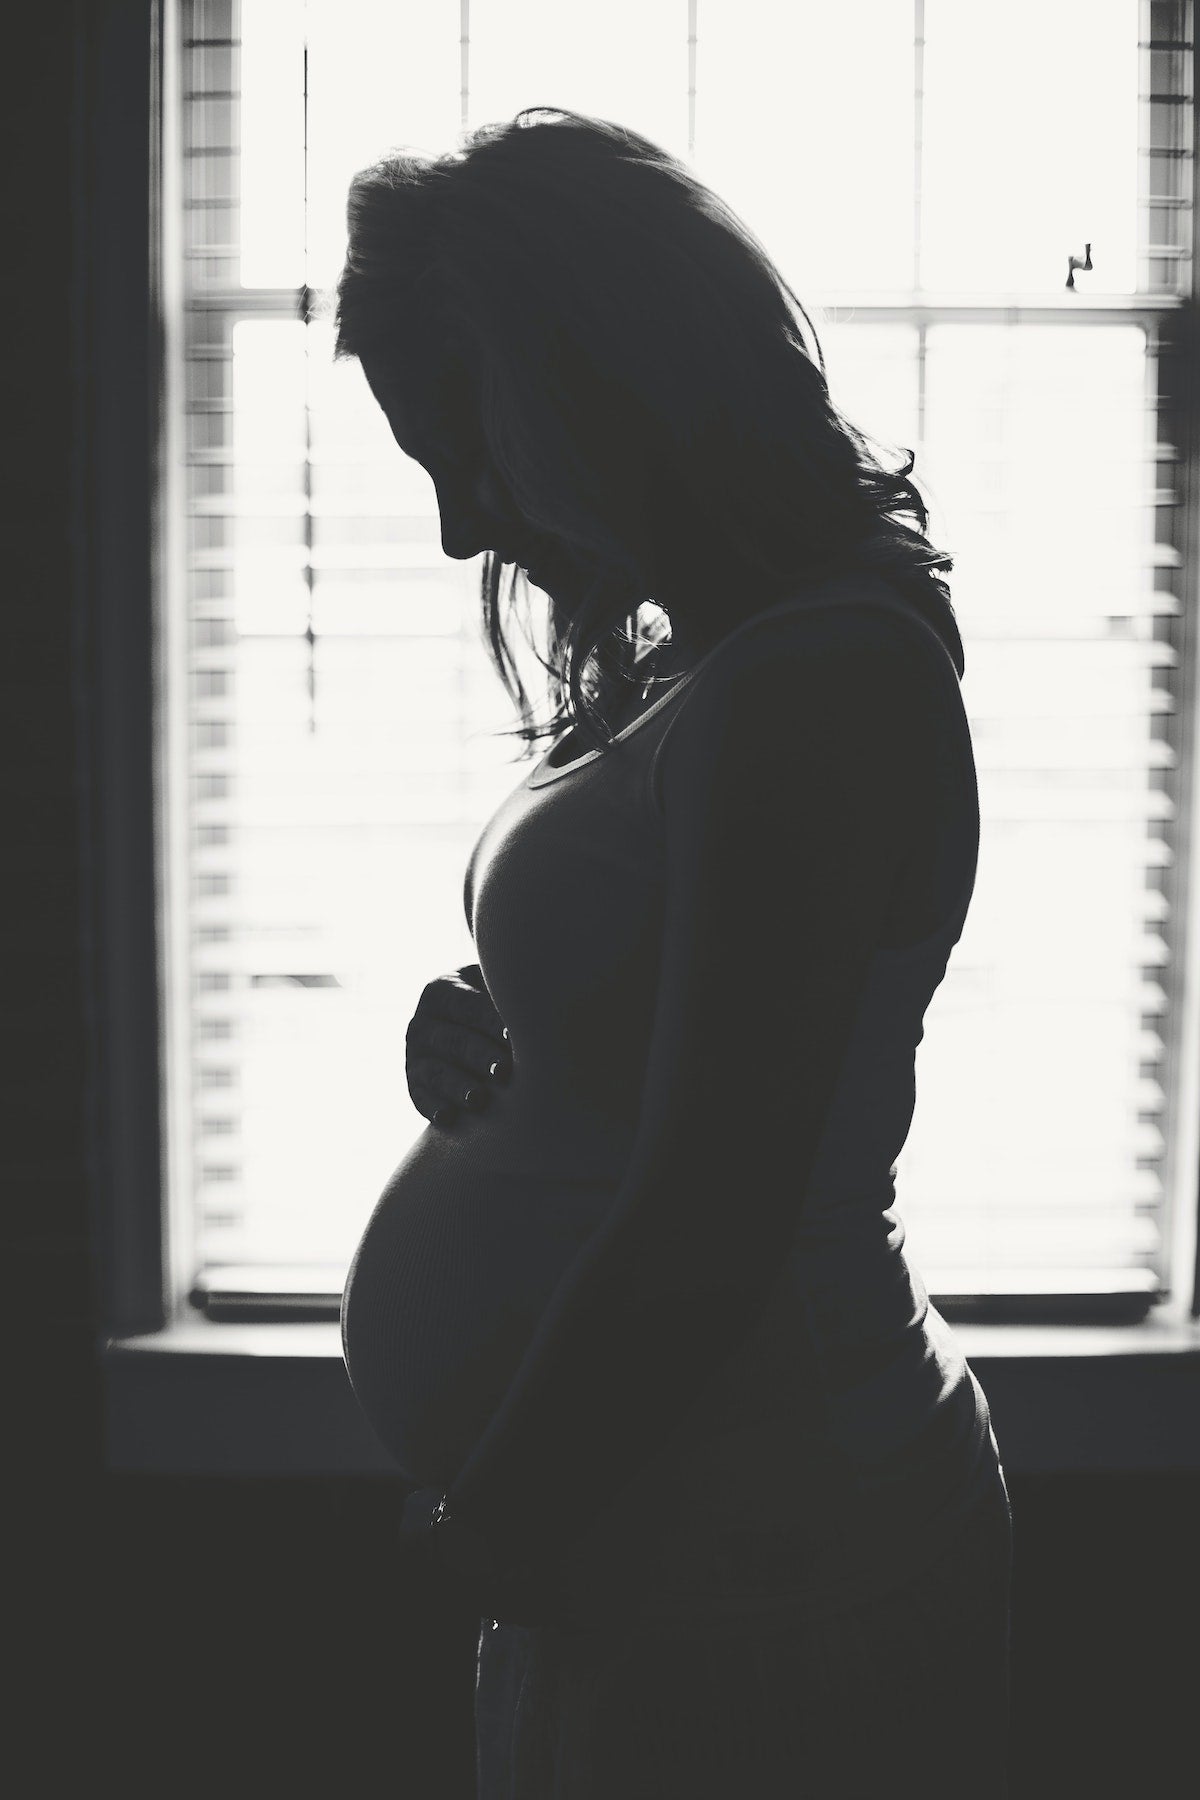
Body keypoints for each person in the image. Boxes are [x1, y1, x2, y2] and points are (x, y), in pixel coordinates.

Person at [336, 107, 1012, 1798]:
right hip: (674, 1537)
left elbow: (715, 1222)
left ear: (596, 379)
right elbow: (694, 1040)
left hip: (773, 1562)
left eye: (464, 457)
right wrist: (521, 1037)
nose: (458, 530)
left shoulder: (817, 683)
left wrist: (481, 1538)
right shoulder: (711, 658)